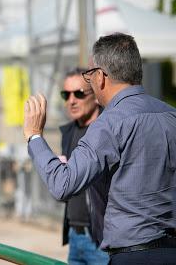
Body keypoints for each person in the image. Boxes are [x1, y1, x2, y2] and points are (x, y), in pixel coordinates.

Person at [23, 33, 176, 264]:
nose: (90, 83)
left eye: (89, 75)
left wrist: (34, 136)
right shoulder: (170, 115)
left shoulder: (109, 123)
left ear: (101, 77)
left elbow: (62, 184)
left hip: (131, 254)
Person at [59, 67, 108, 264]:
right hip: (74, 234)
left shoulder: (108, 129)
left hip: (101, 238)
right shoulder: (68, 132)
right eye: (66, 94)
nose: (72, 100)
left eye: (79, 93)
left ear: (95, 96)